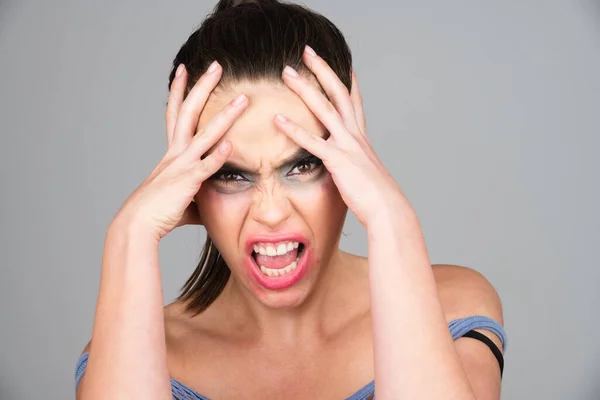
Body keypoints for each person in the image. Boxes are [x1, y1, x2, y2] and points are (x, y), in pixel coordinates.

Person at [74, 0, 507, 398]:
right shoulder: (125, 348)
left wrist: (391, 217)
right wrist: (131, 234)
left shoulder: (453, 307)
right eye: (230, 174)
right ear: (190, 186)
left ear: (350, 162)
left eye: (303, 165)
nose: (271, 210)